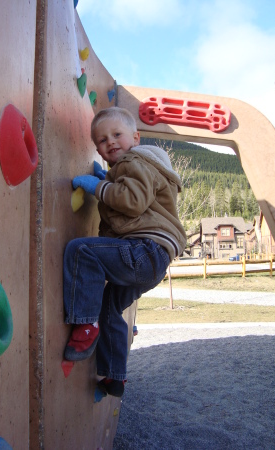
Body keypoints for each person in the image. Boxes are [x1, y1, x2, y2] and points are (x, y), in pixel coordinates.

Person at [63, 107, 186, 398]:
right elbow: (129, 202)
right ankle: (114, 377)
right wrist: (109, 181)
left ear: (136, 137)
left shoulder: (135, 160)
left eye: (117, 134)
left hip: (144, 249)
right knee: (109, 308)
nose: (110, 142)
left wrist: (100, 188)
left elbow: (132, 202)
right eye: (102, 141)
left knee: (81, 251)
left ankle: (84, 324)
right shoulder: (136, 167)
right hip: (152, 262)